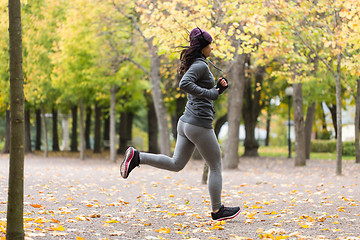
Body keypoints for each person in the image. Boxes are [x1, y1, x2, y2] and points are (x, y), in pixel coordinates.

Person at [120, 27, 240, 221]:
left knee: (176, 164)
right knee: (216, 165)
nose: (212, 47)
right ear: (203, 46)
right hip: (198, 124)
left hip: (186, 123)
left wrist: (217, 88)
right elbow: (185, 84)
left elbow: (198, 88)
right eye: (210, 44)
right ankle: (218, 210)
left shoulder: (199, 63)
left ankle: (137, 157)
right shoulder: (200, 65)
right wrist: (212, 93)